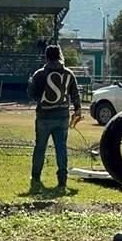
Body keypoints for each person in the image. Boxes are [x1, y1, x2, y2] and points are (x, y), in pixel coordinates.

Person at [27, 44, 81, 194]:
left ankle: (36, 177)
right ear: (60, 55)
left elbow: (31, 93)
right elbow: (75, 94)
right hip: (62, 116)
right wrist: (77, 110)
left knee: (40, 147)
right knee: (61, 148)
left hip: (44, 116)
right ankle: (62, 179)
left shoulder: (40, 74)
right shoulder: (68, 74)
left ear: (46, 57)